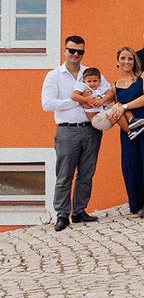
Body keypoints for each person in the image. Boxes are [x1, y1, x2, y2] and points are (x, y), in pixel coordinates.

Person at [42, 36, 107, 230]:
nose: (76, 55)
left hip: (91, 129)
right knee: (64, 174)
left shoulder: (90, 73)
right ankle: (62, 214)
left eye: (80, 51)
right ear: (64, 51)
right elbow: (47, 103)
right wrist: (78, 100)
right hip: (67, 129)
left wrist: (99, 100)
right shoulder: (54, 75)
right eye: (72, 51)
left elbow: (106, 92)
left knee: (87, 172)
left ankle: (79, 211)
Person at [112, 46, 144, 219]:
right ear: (117, 62)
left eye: (130, 58)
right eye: (123, 58)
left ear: (135, 61)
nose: (127, 62)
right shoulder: (115, 86)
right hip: (129, 128)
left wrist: (124, 106)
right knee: (130, 165)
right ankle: (136, 205)